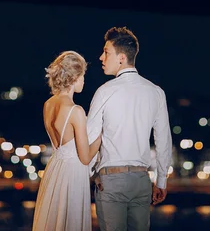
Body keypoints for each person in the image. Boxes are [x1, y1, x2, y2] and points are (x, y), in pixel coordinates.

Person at [87, 27, 172, 231]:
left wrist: (89, 173)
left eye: (106, 52)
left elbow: (90, 137)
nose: (101, 57)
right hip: (142, 180)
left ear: (122, 58)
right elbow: (163, 140)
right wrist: (161, 181)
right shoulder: (156, 93)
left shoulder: (105, 91)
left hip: (111, 180)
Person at [33, 51, 102, 231]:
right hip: (72, 173)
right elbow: (85, 157)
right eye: (83, 76)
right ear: (74, 77)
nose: (84, 81)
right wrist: (101, 136)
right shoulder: (75, 110)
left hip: (54, 169)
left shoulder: (48, 104)